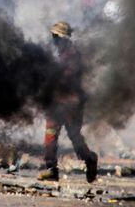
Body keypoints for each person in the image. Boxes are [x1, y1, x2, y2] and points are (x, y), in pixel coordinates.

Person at [38, 21, 98, 183]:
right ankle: (51, 169)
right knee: (50, 136)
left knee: (74, 136)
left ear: (63, 38)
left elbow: (65, 78)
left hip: (71, 103)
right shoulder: (61, 53)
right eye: (53, 37)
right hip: (57, 102)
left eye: (56, 37)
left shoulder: (71, 55)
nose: (54, 40)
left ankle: (90, 159)